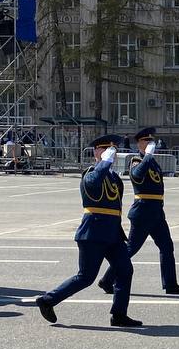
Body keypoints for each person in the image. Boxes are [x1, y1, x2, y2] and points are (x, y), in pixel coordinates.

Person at [35, 134, 141, 327]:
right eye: (106, 150)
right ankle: (48, 300)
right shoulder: (90, 173)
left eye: (113, 151)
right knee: (86, 277)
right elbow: (93, 183)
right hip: (93, 233)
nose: (111, 153)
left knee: (125, 270)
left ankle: (118, 314)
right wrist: (104, 162)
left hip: (112, 234)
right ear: (96, 152)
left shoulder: (114, 178)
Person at [98, 128, 179, 298]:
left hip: (156, 211)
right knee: (130, 249)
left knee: (167, 247)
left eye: (151, 142)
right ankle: (107, 280)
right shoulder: (136, 160)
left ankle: (170, 284)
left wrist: (150, 158)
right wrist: (148, 156)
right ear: (139, 144)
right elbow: (136, 175)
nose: (150, 144)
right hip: (143, 211)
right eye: (146, 142)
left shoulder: (152, 162)